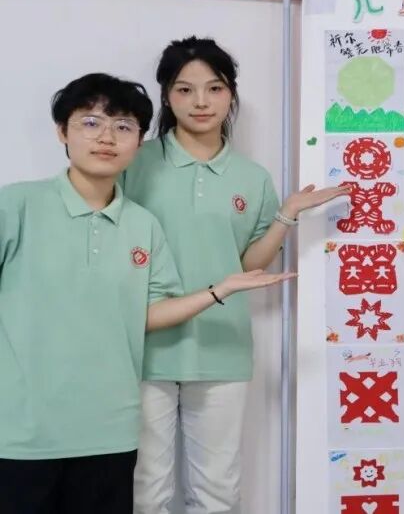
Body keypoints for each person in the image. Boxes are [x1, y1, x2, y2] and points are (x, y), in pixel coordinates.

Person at [0, 73, 290, 514]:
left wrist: (220, 289)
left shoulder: (142, 225)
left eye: (123, 126)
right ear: (62, 131)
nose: (107, 137)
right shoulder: (16, 206)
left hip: (110, 430)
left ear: (139, 141)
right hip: (22, 432)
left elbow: (150, 312)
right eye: (91, 123)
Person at [124, 37, 349, 514]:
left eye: (215, 88)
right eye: (185, 89)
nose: (201, 102)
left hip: (222, 345)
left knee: (218, 492)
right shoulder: (134, 162)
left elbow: (249, 265)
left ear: (231, 94)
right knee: (146, 491)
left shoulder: (252, 177)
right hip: (141, 345)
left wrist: (287, 214)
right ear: (166, 96)